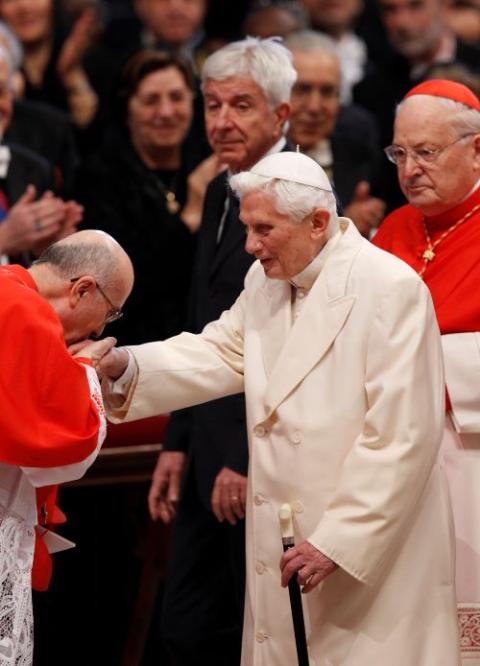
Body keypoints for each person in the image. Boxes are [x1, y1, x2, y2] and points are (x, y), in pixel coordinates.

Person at [101, 150, 460, 665]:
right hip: (289, 537)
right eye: (247, 227)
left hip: (364, 549)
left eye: (263, 229)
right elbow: (220, 350)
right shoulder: (264, 280)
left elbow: (402, 436)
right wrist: (126, 366)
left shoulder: (391, 287)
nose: (250, 246)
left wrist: (339, 541)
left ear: (317, 223)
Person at [145, 37, 295, 665]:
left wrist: (241, 455)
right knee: (185, 627)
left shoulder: (299, 197)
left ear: (281, 115)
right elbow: (200, 325)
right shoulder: (217, 192)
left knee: (246, 629)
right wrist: (177, 442)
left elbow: (289, 344)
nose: (221, 121)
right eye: (212, 105)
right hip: (205, 444)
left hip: (257, 462)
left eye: (241, 105)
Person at [372, 79, 480, 665]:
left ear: (479, 150)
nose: (410, 169)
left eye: (427, 153)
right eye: (400, 154)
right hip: (390, 460)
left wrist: (422, 372)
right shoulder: (393, 230)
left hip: (469, 459)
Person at [0, 228, 133, 666]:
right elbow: (58, 441)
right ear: (81, 289)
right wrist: (85, 367)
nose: (98, 328)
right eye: (110, 313)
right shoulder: (23, 311)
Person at [75, 49, 204, 346]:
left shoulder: (209, 165)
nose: (166, 112)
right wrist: (190, 216)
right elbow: (119, 283)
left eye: (177, 97)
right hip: (129, 344)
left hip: (200, 342)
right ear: (127, 108)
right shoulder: (97, 176)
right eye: (150, 101)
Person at [285, 30, 385, 235]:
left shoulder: (361, 153)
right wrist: (340, 227)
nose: (314, 107)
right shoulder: (251, 165)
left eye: (327, 92)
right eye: (301, 90)